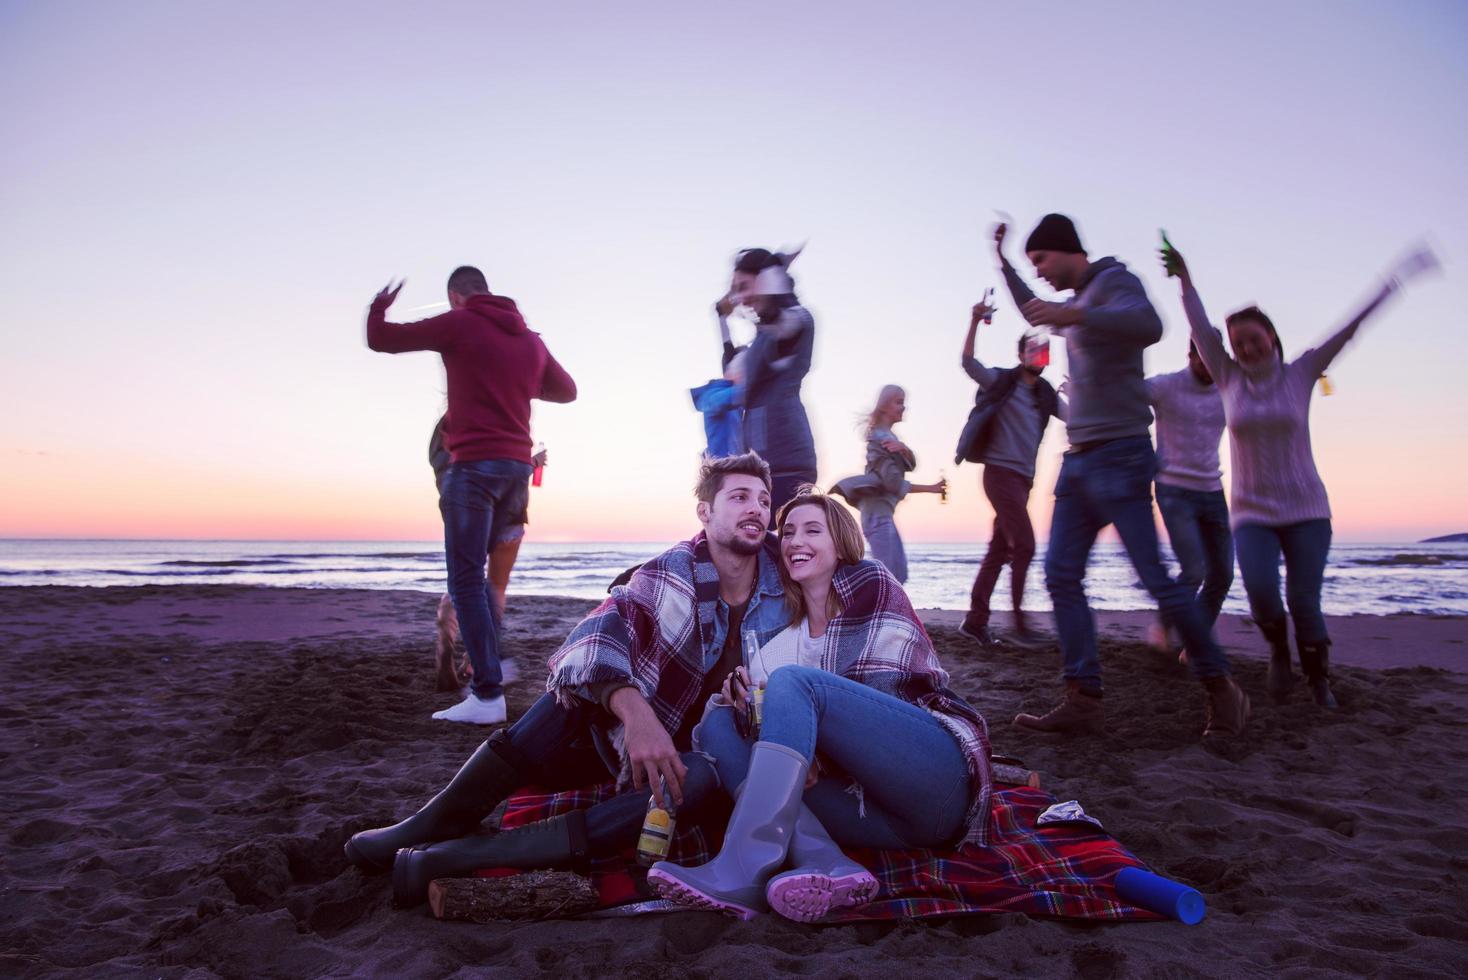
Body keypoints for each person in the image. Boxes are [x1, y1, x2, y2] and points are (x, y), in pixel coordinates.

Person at [344, 452, 794, 908]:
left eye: (762, 499)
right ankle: (433, 822)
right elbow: (596, 636)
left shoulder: (791, 575)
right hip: (628, 745)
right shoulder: (671, 571)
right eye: (739, 497)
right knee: (572, 695)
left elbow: (851, 586)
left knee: (694, 777)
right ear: (705, 512)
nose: (755, 508)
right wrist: (635, 713)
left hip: (711, 753)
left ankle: (465, 854)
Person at [648, 491, 995, 922]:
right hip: (879, 820)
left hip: (934, 784)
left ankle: (743, 864)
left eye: (813, 530)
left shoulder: (872, 584)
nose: (794, 541)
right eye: (788, 532)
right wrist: (739, 705)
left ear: (842, 543)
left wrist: (818, 753)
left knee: (792, 684)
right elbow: (740, 726)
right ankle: (825, 861)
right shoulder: (783, 645)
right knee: (719, 721)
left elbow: (893, 695)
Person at [996, 214, 1249, 738]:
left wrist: (1073, 313)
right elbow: (1034, 307)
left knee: (1155, 577)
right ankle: (1083, 696)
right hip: (1079, 459)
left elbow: (1149, 327)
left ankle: (1221, 688)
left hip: (1122, 454)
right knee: (1061, 575)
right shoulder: (1073, 305)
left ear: (1067, 250)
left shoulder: (1115, 281)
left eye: (1040, 259)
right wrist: (1002, 262)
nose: (1038, 272)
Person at [1162, 239, 1438, 707]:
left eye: (1254, 339)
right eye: (1237, 343)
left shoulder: (1302, 371)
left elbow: (1351, 328)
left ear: (1272, 337)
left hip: (1307, 509)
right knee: (1263, 595)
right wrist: (1186, 280)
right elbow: (1199, 327)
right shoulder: (1227, 377)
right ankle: (1278, 655)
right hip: (1251, 513)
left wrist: (1394, 283)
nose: (1245, 348)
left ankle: (1318, 679)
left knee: (1304, 601)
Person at [368, 266, 576, 724]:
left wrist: (379, 307)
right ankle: (490, 669)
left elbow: (382, 339)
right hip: (517, 471)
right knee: (487, 585)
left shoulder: (461, 322)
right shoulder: (530, 339)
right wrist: (517, 382)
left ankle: (486, 694)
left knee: (465, 580)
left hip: (474, 469)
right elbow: (567, 391)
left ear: (455, 296)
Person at [955, 296, 1065, 646]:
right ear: (1021, 355)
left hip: (1023, 482)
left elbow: (1077, 419)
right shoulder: (1002, 382)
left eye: (1044, 351)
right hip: (998, 475)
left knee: (999, 551)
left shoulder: (1046, 395)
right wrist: (974, 321)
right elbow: (968, 362)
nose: (1039, 356)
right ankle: (1018, 624)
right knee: (1027, 546)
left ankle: (975, 621)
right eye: (1033, 350)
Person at [430, 415, 548, 691]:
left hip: (475, 510)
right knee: (490, 588)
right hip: (505, 512)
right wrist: (531, 463)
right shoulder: (500, 423)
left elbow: (456, 468)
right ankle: (476, 659)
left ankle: (449, 648)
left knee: (466, 583)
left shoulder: (450, 428)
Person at [1144, 334, 1232, 655]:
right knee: (1194, 570)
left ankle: (1193, 646)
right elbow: (1128, 394)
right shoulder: (1167, 386)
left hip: (1212, 489)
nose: (1209, 366)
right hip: (1173, 489)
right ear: (1190, 354)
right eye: (1203, 357)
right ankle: (1165, 627)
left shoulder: (1227, 390)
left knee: (1221, 575)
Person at [734, 252, 819, 522]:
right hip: (759, 464)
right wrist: (722, 323)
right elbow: (737, 379)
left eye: (745, 287)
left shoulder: (797, 318)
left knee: (786, 550)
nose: (741, 298)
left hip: (788, 463)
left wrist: (776, 274)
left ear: (768, 282)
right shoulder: (760, 338)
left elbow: (790, 324)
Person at [830, 386, 945, 583]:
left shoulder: (890, 438)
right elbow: (892, 483)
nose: (903, 407)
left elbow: (911, 465)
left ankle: (878, 610)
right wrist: (931, 489)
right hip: (877, 516)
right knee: (889, 577)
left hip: (882, 515)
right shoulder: (881, 439)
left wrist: (905, 450)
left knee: (898, 575)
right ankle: (863, 607)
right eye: (898, 402)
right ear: (884, 406)